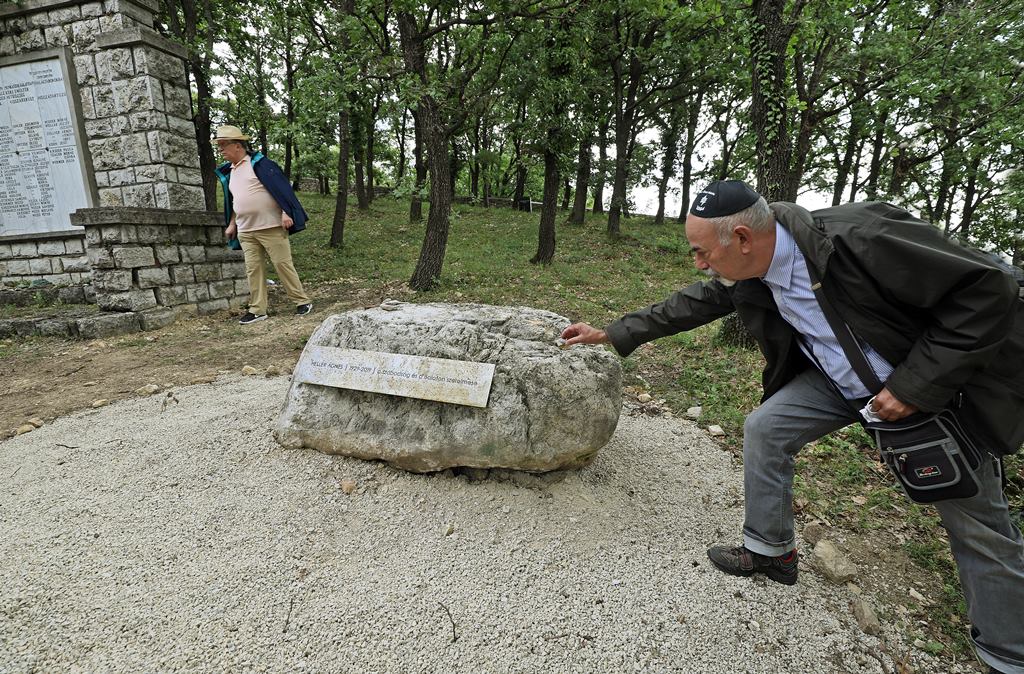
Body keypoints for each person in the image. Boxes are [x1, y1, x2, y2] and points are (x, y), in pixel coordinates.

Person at [561, 179, 1024, 674]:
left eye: (701, 252)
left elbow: (987, 288)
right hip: (842, 384)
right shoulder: (753, 266)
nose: (698, 262)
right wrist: (612, 332)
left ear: (742, 237)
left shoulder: (860, 237)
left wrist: (915, 386)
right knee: (767, 427)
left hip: (929, 394)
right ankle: (771, 550)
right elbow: (698, 300)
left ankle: (1007, 654)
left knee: (977, 523)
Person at [214, 125, 313, 325]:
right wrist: (232, 224)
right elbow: (236, 201)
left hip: (270, 226)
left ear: (238, 146)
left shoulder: (260, 164)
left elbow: (282, 190)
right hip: (246, 230)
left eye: (224, 145)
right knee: (253, 269)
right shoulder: (230, 172)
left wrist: (286, 212)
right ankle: (258, 309)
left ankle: (302, 301)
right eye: (219, 146)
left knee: (282, 264)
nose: (221, 149)